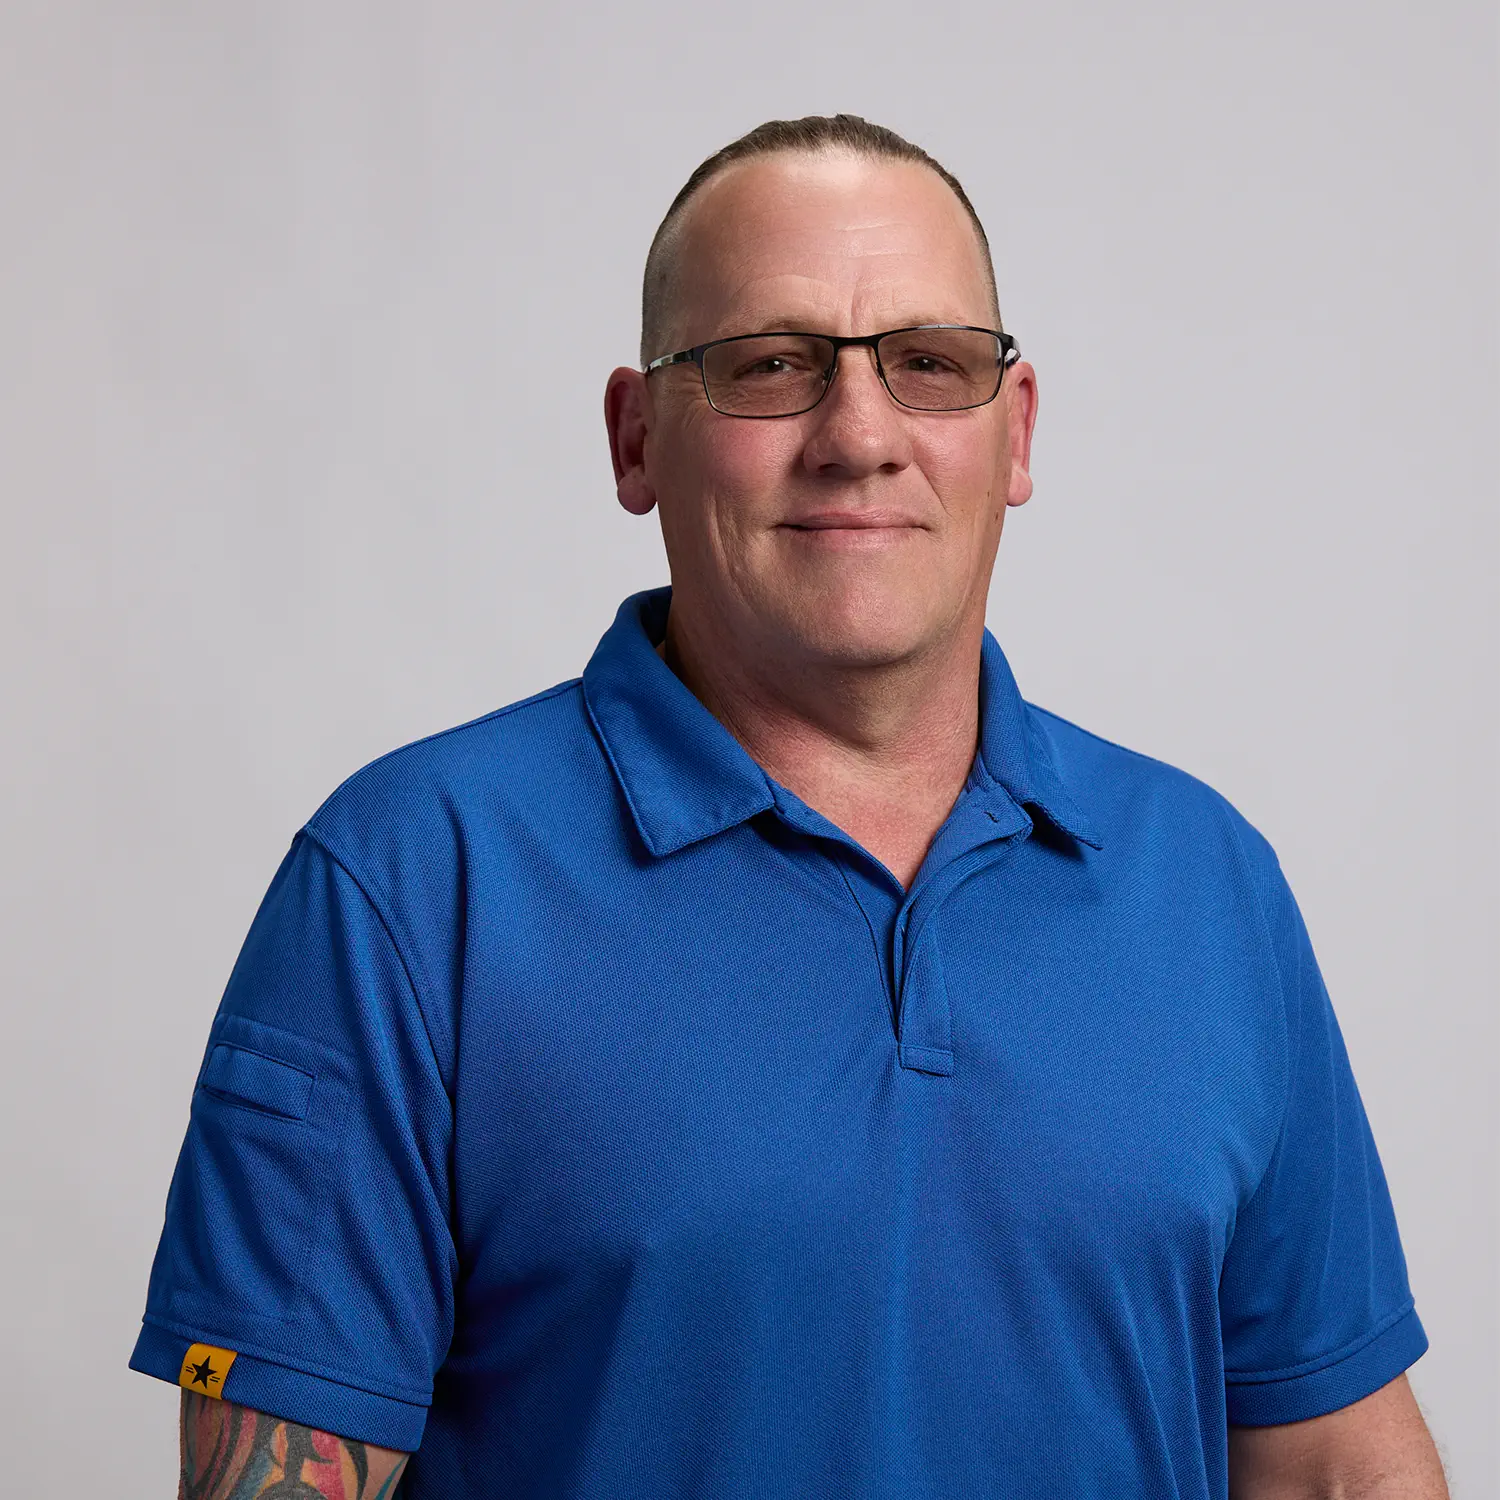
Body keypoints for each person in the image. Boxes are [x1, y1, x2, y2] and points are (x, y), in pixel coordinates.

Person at [131, 114, 1447, 1499]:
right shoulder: (411, 883)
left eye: (930, 365)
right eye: (771, 366)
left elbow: (1334, 1467)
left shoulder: (1205, 881)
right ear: (637, 440)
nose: (860, 436)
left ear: (1015, 434)